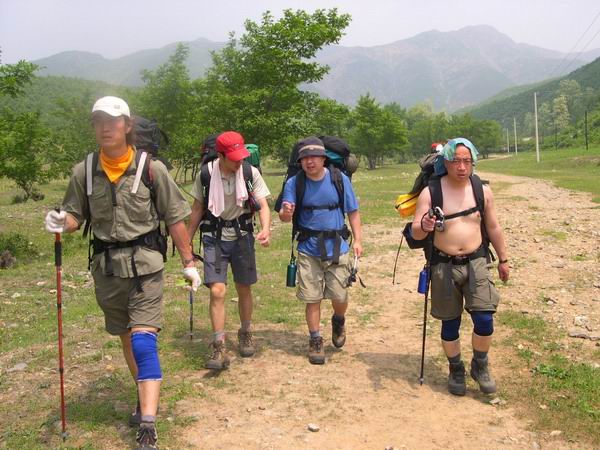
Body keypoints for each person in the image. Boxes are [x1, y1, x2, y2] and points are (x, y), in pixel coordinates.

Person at [44, 96, 201, 450]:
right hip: (107, 271)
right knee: (127, 338)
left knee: (143, 340)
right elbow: (75, 216)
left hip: (146, 267)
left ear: (127, 126)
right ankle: (142, 393)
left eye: (113, 121)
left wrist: (189, 263)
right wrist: (61, 222)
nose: (105, 127)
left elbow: (175, 218)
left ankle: (148, 424)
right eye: (99, 121)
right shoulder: (84, 171)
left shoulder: (151, 169)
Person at [411, 138, 509, 396]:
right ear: (446, 162)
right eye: (456, 161)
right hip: (443, 265)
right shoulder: (431, 192)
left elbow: (493, 227)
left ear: (473, 162)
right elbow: (416, 232)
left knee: (485, 318)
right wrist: (424, 225)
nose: (462, 167)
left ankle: (480, 364)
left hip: (477, 262)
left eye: (467, 161)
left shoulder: (482, 190)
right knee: (450, 323)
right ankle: (456, 368)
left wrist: (504, 259)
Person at [187, 131, 271, 370]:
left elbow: (263, 205)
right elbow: (197, 208)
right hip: (213, 238)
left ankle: (246, 332)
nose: (239, 162)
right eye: (234, 158)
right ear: (221, 156)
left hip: (243, 236)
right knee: (217, 291)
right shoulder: (205, 174)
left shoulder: (249, 172)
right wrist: (187, 241)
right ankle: (219, 344)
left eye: (241, 157)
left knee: (244, 287)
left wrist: (266, 229)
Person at [279, 136, 362, 365]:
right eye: (305, 158)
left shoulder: (339, 179)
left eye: (314, 157)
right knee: (312, 297)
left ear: (324, 159)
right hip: (308, 248)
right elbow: (284, 216)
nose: (310, 161)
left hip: (337, 246)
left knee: (339, 295)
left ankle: (338, 319)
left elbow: (353, 211)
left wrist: (358, 240)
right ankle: (315, 339)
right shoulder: (294, 183)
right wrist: (286, 212)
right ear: (300, 162)